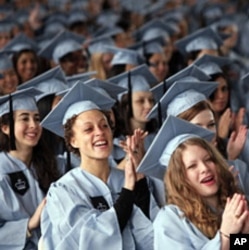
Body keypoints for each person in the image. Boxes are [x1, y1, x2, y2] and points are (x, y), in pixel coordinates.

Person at [39, 81, 158, 249]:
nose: (100, 132)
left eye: (104, 125)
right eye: (88, 129)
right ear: (73, 140)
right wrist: (128, 190)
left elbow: (153, 233)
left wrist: (139, 181)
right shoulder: (64, 190)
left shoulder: (126, 178)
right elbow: (90, 241)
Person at [137, 115, 249, 250]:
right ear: (179, 178)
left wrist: (244, 236)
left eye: (208, 159)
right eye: (192, 166)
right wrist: (225, 235)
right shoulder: (170, 221)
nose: (204, 168)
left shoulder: (235, 203)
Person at [0, 88, 60, 249]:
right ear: (5, 127)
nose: (33, 125)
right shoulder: (1, 170)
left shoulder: (48, 163)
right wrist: (30, 224)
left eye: (37, 118)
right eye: (24, 119)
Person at [108, 64, 158, 165]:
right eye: (140, 101)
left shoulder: (158, 137)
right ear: (126, 105)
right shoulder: (115, 144)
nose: (149, 105)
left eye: (151, 100)